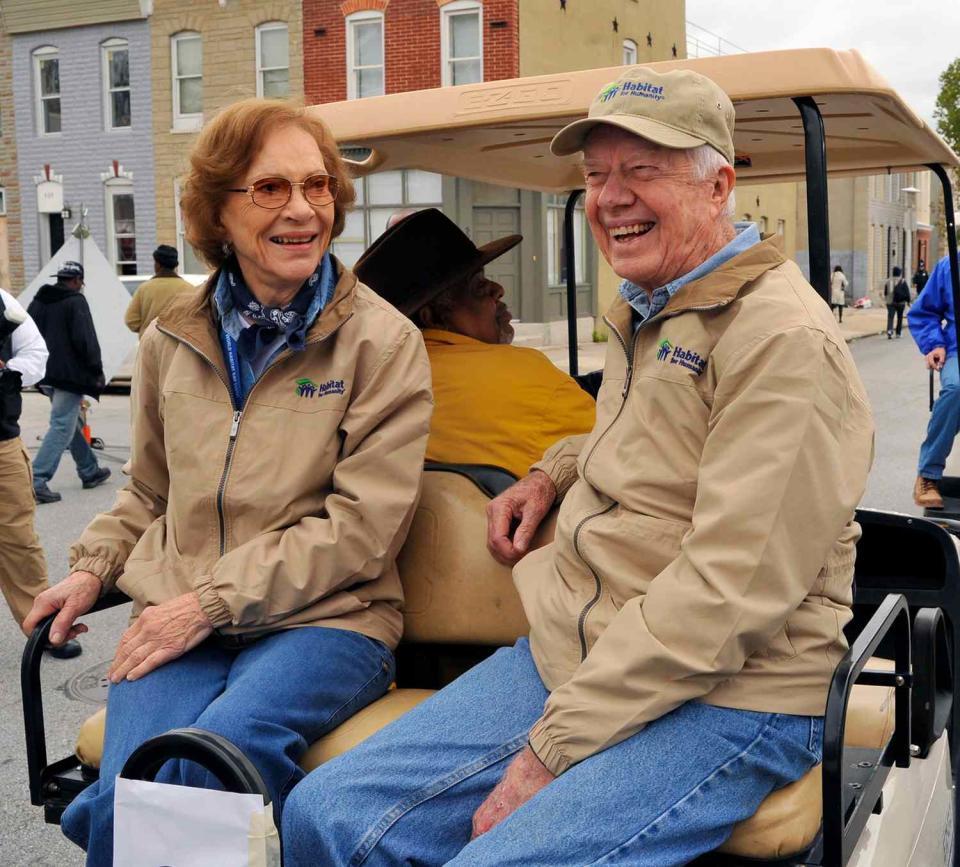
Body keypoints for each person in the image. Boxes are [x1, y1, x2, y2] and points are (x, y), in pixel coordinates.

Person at [282, 66, 874, 865]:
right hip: (585, 648)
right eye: (597, 175)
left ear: (718, 186)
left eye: (643, 170)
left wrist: (551, 748)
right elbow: (634, 440)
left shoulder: (780, 341)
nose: (610, 196)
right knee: (325, 810)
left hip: (736, 690)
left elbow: (728, 599)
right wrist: (552, 473)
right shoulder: (652, 307)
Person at [23, 98, 433, 867]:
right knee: (143, 775)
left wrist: (208, 603)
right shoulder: (170, 337)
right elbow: (147, 491)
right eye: (270, 189)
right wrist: (91, 569)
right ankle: (108, 809)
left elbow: (361, 529)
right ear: (217, 212)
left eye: (317, 186)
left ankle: (103, 816)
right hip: (182, 609)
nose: (302, 209)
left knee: (206, 761)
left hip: (329, 622)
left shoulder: (383, 342)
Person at [354, 208, 595, 479]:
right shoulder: (528, 376)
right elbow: (614, 452)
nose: (497, 289)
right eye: (478, 285)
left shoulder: (368, 389)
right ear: (432, 317)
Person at [0, 290, 82, 659]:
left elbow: (36, 354)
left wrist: (7, 369)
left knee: (20, 542)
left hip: (1, 443)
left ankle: (41, 629)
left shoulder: (2, 303)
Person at [27, 262, 110, 504]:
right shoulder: (75, 302)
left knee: (70, 422)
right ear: (76, 281)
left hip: (46, 373)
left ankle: (89, 470)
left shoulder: (39, 301)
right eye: (80, 283)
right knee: (62, 424)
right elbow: (86, 340)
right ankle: (37, 479)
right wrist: (96, 370)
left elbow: (28, 332)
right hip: (70, 375)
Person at [908, 253, 958, 509]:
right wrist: (935, 344)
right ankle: (928, 474)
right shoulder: (951, 265)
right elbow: (924, 313)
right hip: (957, 349)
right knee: (956, 388)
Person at [124, 244, 196, 335]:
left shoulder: (144, 289)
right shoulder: (189, 289)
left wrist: (147, 329)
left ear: (157, 264)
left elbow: (131, 320)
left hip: (149, 343)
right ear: (175, 265)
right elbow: (195, 320)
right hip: (178, 344)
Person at [883, 265, 910, 339]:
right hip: (900, 303)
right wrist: (908, 301)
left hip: (890, 302)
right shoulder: (903, 281)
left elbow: (885, 292)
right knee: (899, 317)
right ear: (899, 273)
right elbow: (907, 292)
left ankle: (889, 331)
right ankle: (898, 332)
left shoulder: (888, 281)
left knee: (890, 317)